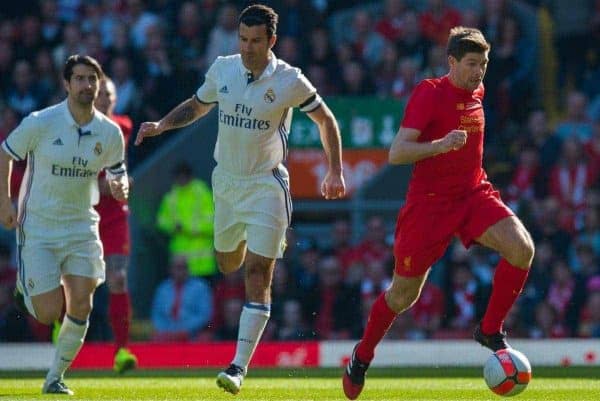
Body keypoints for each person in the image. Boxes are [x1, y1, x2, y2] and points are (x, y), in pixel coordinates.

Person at [135, 4, 345, 395]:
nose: (248, 48)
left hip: (266, 185)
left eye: (256, 41)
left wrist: (334, 171)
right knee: (227, 261)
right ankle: (251, 241)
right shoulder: (223, 67)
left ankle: (237, 366)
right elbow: (197, 105)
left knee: (256, 273)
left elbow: (326, 120)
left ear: (272, 41)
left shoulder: (289, 80)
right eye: (243, 40)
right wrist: (162, 124)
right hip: (226, 183)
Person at [342, 27, 535, 400]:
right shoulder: (429, 93)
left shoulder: (478, 91)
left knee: (522, 248)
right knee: (402, 297)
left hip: (472, 194)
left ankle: (490, 330)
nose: (479, 72)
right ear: (451, 62)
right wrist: (441, 145)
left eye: (484, 64)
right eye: (471, 64)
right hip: (429, 206)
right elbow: (397, 153)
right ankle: (361, 356)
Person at [0, 55, 128, 395]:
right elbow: (5, 153)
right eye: (80, 79)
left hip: (82, 226)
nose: (87, 85)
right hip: (39, 227)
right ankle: (24, 288)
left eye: (92, 79)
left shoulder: (110, 132)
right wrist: (4, 203)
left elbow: (118, 173)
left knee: (82, 303)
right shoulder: (41, 122)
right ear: (67, 84)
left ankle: (55, 378)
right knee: (47, 312)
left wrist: (120, 185)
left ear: (99, 85)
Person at [93, 76, 138, 373]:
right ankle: (60, 325)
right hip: (84, 210)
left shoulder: (124, 126)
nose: (106, 99)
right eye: (102, 95)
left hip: (115, 216)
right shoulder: (78, 128)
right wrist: (103, 184)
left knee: (118, 279)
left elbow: (119, 170)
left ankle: (122, 350)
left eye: (110, 94)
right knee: (76, 284)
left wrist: (121, 183)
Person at [156, 162, 216, 279]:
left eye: (183, 177)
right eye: (178, 177)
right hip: (179, 264)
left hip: (202, 264)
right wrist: (173, 227)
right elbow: (161, 221)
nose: (181, 180)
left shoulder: (203, 194)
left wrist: (184, 228)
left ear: (190, 177)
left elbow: (213, 224)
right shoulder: (171, 197)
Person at [150, 255, 213, 341]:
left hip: (193, 334)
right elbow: (156, 315)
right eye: (177, 267)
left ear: (188, 269)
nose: (180, 271)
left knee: (205, 338)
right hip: (167, 335)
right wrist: (166, 331)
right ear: (170, 269)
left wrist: (185, 330)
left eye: (183, 267)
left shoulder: (200, 287)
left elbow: (205, 315)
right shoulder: (162, 289)